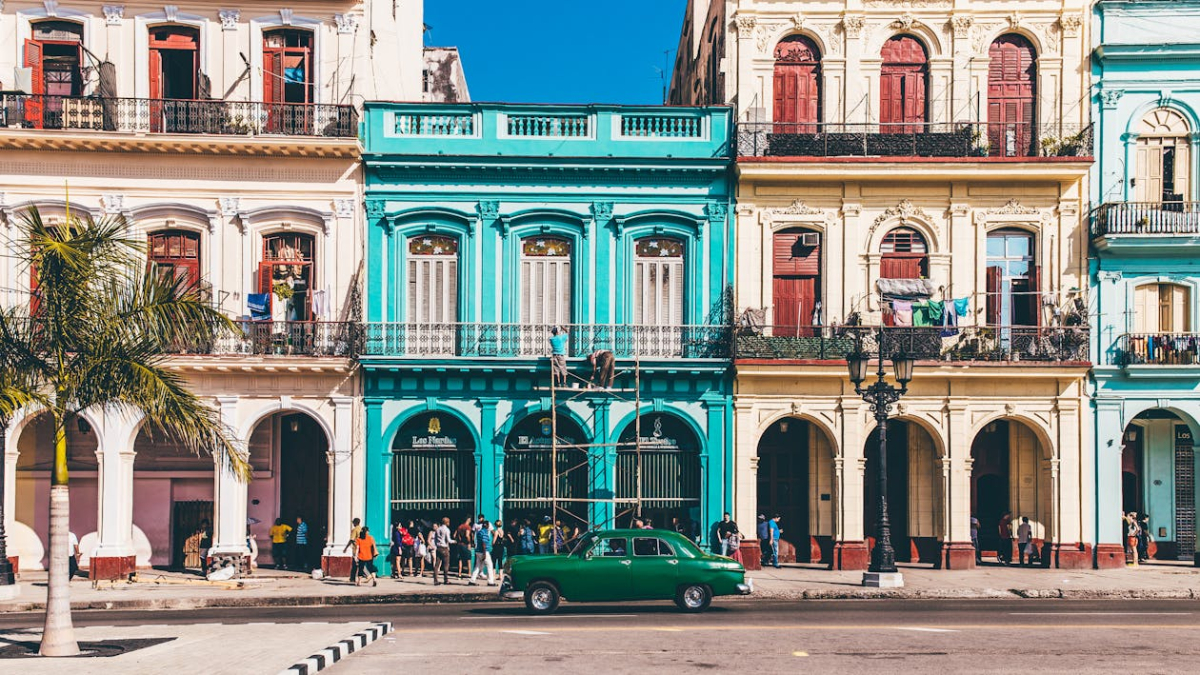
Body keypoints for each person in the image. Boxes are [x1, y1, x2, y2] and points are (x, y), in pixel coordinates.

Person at [469, 516, 496, 586]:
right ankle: (491, 581)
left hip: (478, 551)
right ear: (486, 525)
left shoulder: (479, 532)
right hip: (484, 551)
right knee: (490, 565)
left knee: (478, 566)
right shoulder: (485, 532)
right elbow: (484, 543)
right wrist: (484, 553)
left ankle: (472, 580)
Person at [344, 517, 364, 582]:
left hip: (356, 549)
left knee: (354, 563)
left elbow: (352, 540)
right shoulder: (362, 529)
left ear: (355, 523)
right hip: (362, 548)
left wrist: (346, 548)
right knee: (360, 563)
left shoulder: (354, 530)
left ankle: (353, 578)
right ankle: (353, 578)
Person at [433, 517, 452, 585]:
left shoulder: (438, 529)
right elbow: (448, 540)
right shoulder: (446, 530)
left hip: (438, 548)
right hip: (444, 547)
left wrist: (436, 545)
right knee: (446, 564)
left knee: (437, 564)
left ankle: (435, 579)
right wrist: (455, 541)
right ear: (447, 522)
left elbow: (435, 539)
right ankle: (446, 579)